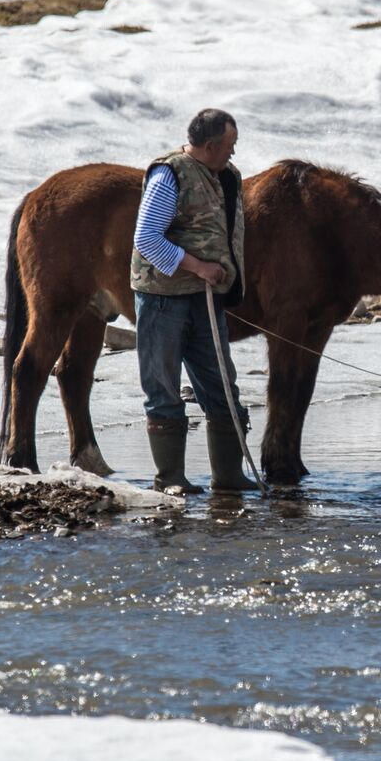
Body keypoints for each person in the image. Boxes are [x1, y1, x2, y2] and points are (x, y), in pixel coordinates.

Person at [130, 108, 257, 493]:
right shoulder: (169, 174)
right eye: (230, 145)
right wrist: (198, 267)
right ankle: (170, 479)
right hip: (162, 299)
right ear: (211, 145)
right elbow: (147, 238)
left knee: (221, 384)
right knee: (163, 386)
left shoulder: (227, 176)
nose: (233, 152)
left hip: (206, 299)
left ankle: (229, 478)